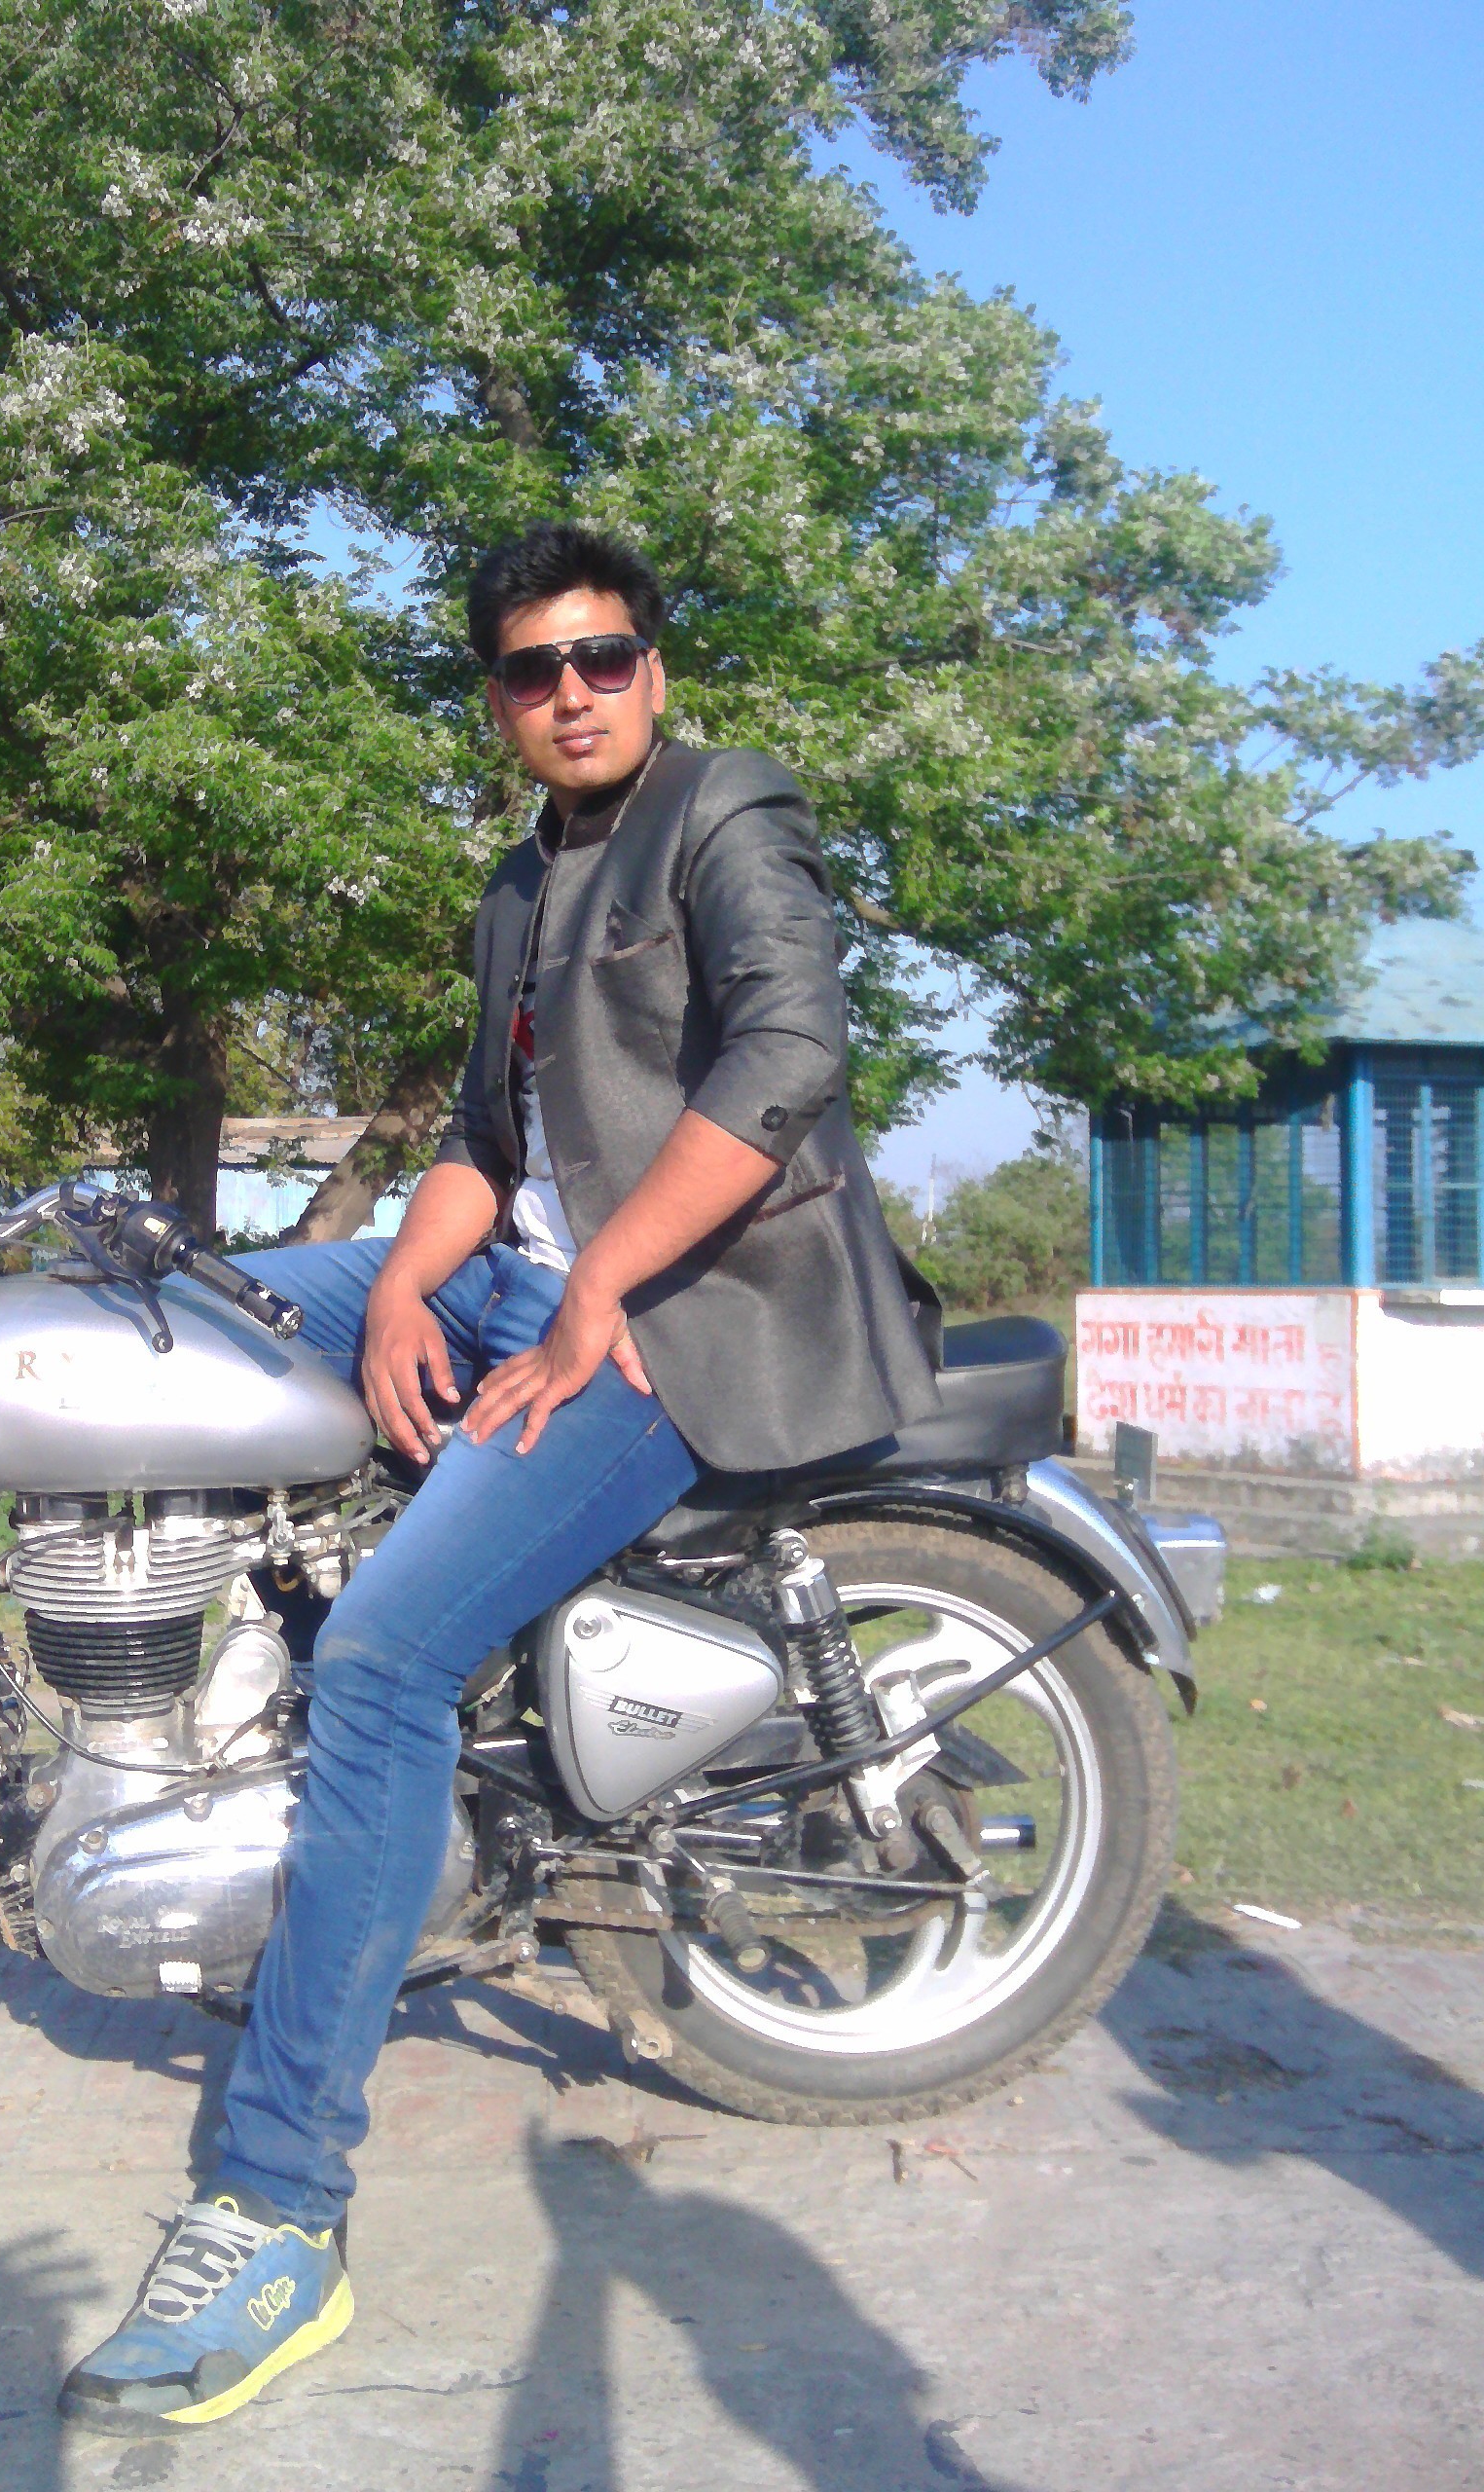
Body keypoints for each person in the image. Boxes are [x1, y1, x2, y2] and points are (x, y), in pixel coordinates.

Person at [60, 521, 940, 2436]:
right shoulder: (519, 882)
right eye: (535, 669)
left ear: (653, 668)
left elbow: (788, 1051)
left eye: (603, 655)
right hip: (516, 1278)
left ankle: (277, 2206)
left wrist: (594, 1285)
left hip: (677, 1320)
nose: (572, 692)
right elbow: (481, 1139)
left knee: (386, 1663)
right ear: (497, 700)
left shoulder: (724, 811)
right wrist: (394, 1281)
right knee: (174, 1309)